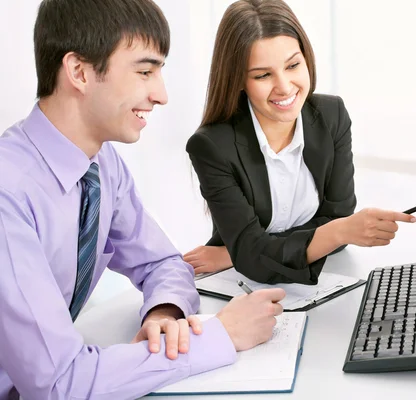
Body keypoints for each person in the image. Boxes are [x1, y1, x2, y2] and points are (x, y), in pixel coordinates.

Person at [0, 0, 285, 399]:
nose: (161, 94)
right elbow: (59, 384)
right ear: (79, 72)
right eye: (145, 71)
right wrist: (221, 335)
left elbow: (162, 262)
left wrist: (164, 313)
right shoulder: (8, 194)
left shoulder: (100, 165)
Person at [185, 0, 416, 284]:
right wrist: (337, 232)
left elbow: (336, 218)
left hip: (326, 274)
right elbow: (332, 231)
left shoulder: (332, 116)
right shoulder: (211, 146)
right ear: (239, 80)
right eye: (263, 75)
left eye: (293, 65)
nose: (284, 86)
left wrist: (238, 252)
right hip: (239, 284)